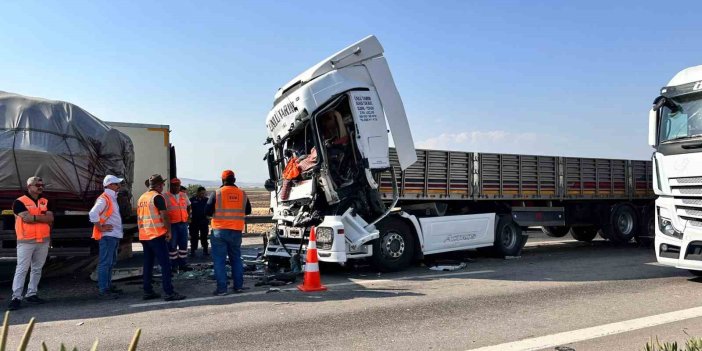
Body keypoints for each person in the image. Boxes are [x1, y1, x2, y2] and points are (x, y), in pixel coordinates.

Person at [8, 176, 54, 311]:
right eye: (37, 185)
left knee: (37, 268)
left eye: (42, 184)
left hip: (43, 240)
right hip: (26, 241)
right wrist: (42, 218)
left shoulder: (45, 201)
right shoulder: (19, 202)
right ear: (29, 187)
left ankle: (31, 294)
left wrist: (35, 217)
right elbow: (26, 219)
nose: (40, 187)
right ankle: (16, 297)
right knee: (22, 269)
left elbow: (50, 218)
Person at [137, 174, 186, 301]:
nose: (164, 186)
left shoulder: (142, 197)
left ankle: (147, 291)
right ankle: (169, 292)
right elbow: (165, 216)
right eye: (163, 184)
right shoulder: (157, 197)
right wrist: (169, 231)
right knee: (165, 264)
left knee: (148, 264)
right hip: (156, 235)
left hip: (144, 235)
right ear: (159, 185)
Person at [206, 170, 251, 295]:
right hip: (236, 231)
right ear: (234, 180)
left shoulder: (217, 193)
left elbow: (207, 211)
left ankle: (222, 289)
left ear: (222, 180)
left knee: (219, 260)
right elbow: (248, 210)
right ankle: (238, 286)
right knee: (236, 259)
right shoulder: (242, 193)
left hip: (219, 231)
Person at [89, 175, 125, 300]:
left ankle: (107, 286)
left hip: (112, 235)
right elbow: (93, 213)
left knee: (110, 262)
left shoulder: (111, 197)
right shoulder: (105, 198)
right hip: (108, 236)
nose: (118, 186)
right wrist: (100, 227)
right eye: (116, 184)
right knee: (106, 263)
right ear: (109, 185)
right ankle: (104, 289)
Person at [162, 178, 191, 272]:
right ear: (171, 186)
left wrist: (188, 217)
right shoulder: (165, 196)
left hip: (183, 224)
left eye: (178, 185)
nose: (176, 187)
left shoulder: (183, 195)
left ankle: (183, 264)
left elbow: (188, 206)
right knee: (172, 246)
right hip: (172, 225)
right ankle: (173, 265)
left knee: (183, 245)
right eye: (174, 185)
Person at [189, 186, 209, 256]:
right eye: (201, 193)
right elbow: (188, 210)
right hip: (194, 222)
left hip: (204, 221)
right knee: (194, 236)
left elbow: (209, 210)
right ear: (197, 193)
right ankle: (193, 250)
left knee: (204, 236)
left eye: (204, 193)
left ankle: (205, 250)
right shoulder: (191, 200)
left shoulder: (207, 200)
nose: (202, 195)